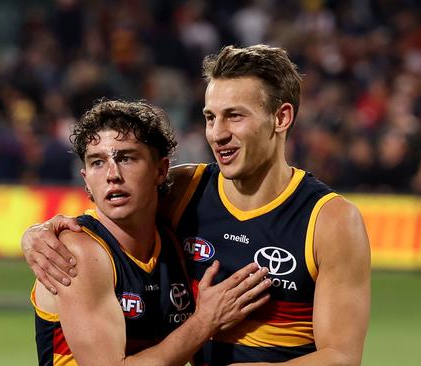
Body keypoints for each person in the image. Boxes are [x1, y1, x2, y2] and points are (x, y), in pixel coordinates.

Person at [23, 45, 371, 365]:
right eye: (210, 117)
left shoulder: (330, 220)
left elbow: (341, 356)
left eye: (234, 116)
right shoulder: (185, 191)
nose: (217, 133)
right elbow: (109, 213)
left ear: (280, 118)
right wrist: (37, 234)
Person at [30, 99, 272, 366]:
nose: (112, 174)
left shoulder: (173, 241)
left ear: (161, 170)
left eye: (126, 158)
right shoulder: (79, 251)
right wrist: (205, 321)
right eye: (98, 162)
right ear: (86, 180)